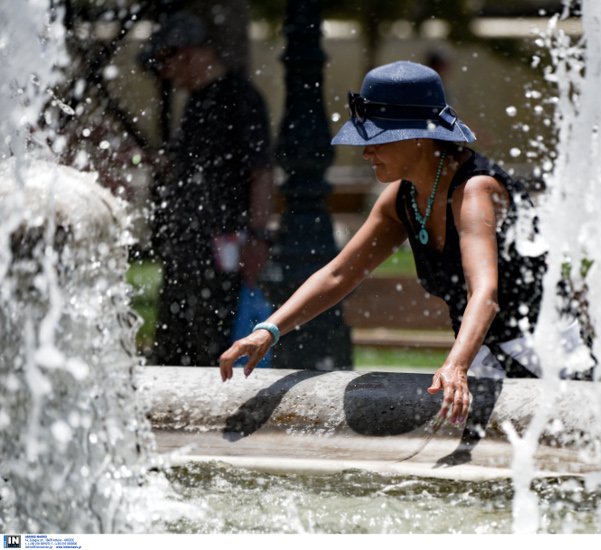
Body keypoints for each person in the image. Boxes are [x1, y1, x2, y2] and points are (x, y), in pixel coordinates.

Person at [219, 60, 548, 425]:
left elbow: (484, 291)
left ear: (419, 137)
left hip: (549, 360)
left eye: (376, 139)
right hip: (488, 364)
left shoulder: (475, 190)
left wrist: (456, 364)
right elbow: (338, 275)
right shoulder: (401, 198)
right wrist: (269, 330)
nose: (366, 152)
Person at [139, 12, 275, 366]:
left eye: (165, 62)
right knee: (173, 344)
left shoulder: (240, 97)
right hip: (187, 247)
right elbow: (189, 166)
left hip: (224, 248)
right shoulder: (197, 102)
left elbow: (261, 172)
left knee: (213, 340)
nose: (165, 74)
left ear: (188, 53)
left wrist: (258, 235)